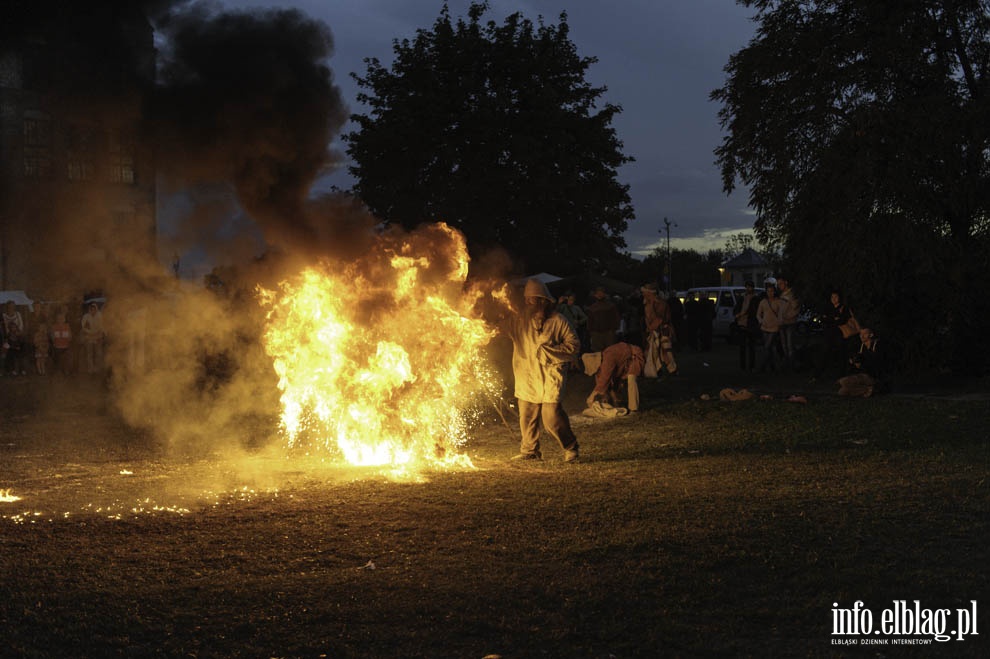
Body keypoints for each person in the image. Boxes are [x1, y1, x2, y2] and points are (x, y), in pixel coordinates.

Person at [501, 278, 581, 462]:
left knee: (551, 416)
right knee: (527, 417)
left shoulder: (558, 321)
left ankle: (571, 447)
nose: (529, 303)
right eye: (527, 299)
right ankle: (530, 451)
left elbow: (573, 345)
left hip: (551, 374)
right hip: (526, 374)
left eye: (533, 299)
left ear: (543, 301)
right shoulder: (519, 321)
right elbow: (497, 329)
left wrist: (549, 352)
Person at [581, 341, 645, 412]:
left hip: (634, 357)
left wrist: (591, 396)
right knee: (614, 383)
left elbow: (604, 380)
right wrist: (604, 396)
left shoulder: (608, 358)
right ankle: (617, 401)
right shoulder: (600, 365)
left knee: (631, 379)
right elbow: (600, 382)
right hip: (624, 363)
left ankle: (633, 408)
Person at [811, 290, 857, 382]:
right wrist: (833, 319)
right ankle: (817, 375)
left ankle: (840, 376)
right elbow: (824, 319)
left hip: (840, 335)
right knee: (825, 354)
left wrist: (831, 319)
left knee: (841, 355)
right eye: (832, 297)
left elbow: (842, 320)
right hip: (829, 335)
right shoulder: (828, 308)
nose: (834, 299)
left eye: (836, 297)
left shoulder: (844, 308)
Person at [837, 326, 889, 397]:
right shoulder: (861, 347)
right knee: (842, 391)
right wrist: (853, 362)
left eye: (865, 334)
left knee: (843, 382)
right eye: (860, 334)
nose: (862, 336)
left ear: (871, 335)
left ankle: (874, 388)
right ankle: (869, 390)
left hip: (874, 376)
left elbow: (878, 363)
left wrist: (862, 364)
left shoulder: (877, 345)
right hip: (863, 375)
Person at [641, 283, 677, 377]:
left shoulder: (660, 303)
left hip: (662, 330)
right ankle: (657, 369)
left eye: (645, 292)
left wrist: (652, 327)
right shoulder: (647, 303)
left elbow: (660, 318)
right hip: (653, 330)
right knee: (652, 350)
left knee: (666, 350)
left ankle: (672, 369)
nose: (643, 294)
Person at [733, 280, 760, 372]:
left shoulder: (755, 299)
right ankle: (743, 366)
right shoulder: (742, 298)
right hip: (742, 323)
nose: (748, 289)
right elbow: (737, 308)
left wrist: (741, 314)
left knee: (751, 347)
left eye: (750, 287)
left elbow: (753, 311)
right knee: (743, 347)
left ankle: (751, 366)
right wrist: (738, 314)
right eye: (747, 287)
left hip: (750, 324)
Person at [756, 278, 781, 373]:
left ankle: (762, 367)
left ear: (774, 292)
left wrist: (779, 323)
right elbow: (758, 313)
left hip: (774, 327)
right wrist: (761, 321)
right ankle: (772, 366)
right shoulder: (763, 302)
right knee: (769, 348)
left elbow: (781, 314)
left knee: (767, 346)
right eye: (768, 291)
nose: (770, 293)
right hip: (765, 327)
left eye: (772, 291)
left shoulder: (778, 302)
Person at [776, 276, 801, 372]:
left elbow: (796, 308)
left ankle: (792, 366)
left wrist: (788, 316)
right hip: (782, 323)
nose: (779, 286)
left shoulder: (791, 295)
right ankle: (788, 365)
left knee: (789, 345)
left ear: (786, 283)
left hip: (789, 323)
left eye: (781, 284)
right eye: (778, 284)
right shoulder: (782, 295)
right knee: (784, 345)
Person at [585, 286, 621, 351]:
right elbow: (590, 321)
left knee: (610, 352)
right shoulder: (592, 308)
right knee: (598, 353)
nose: (599, 295)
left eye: (601, 293)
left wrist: (614, 330)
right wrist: (591, 332)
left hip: (608, 333)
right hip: (596, 334)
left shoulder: (610, 306)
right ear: (595, 295)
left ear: (604, 294)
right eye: (598, 293)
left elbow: (616, 318)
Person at [80, 301, 105, 375]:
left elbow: (102, 326)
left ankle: (97, 369)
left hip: (98, 337)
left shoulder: (100, 316)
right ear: (89, 309)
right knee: (89, 354)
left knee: (98, 354)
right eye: (91, 309)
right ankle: (90, 369)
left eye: (94, 309)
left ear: (96, 309)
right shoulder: (86, 317)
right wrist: (91, 333)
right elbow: (84, 327)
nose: (93, 311)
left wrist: (97, 333)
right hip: (89, 337)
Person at [2, 300, 26, 376]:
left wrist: (17, 333)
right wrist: (9, 335)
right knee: (9, 353)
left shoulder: (18, 314)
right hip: (8, 337)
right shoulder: (3, 315)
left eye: (13, 306)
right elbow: (4, 327)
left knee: (20, 352)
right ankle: (10, 369)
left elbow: (21, 326)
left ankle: (22, 369)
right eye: (9, 306)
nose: (11, 308)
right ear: (7, 307)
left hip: (18, 336)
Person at [51, 309, 73, 375]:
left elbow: (70, 337)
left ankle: (66, 370)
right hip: (57, 346)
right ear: (57, 319)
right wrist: (54, 340)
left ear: (64, 319)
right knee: (58, 360)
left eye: (62, 318)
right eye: (59, 318)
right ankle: (59, 371)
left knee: (66, 360)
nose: (60, 319)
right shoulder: (54, 326)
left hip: (66, 346)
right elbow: (52, 337)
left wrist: (69, 337)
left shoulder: (67, 326)